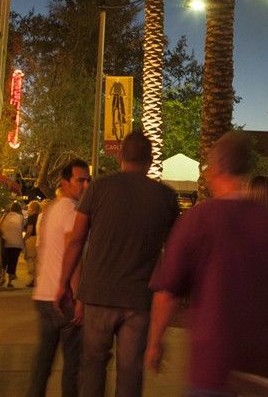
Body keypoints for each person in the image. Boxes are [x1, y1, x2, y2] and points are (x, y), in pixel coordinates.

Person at [146, 131, 268, 396]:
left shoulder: (196, 221)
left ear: (216, 169)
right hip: (262, 367)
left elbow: (167, 294)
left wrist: (155, 342)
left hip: (211, 366)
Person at [58, 132, 179, 397]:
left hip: (98, 295)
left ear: (121, 156)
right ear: (150, 160)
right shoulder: (165, 197)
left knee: (92, 367)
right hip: (138, 300)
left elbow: (76, 240)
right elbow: (174, 253)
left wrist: (63, 283)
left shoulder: (99, 188)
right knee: (130, 371)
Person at [27, 159, 90, 397]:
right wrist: (78, 297)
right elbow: (71, 253)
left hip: (44, 296)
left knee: (42, 365)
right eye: (80, 180)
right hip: (64, 299)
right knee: (73, 367)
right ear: (65, 183)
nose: (85, 186)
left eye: (87, 180)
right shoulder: (72, 211)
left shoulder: (51, 209)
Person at [0, 202, 25, 288]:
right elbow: (21, 229)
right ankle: (10, 281)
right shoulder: (21, 217)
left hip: (6, 241)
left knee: (4, 261)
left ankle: (2, 277)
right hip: (17, 243)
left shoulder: (4, 216)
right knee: (13, 262)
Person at [24, 200, 41, 288]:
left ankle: (32, 280)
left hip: (32, 239)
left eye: (29, 208)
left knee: (30, 259)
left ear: (33, 209)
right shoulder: (40, 216)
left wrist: (24, 239)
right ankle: (37, 279)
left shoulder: (31, 217)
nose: (28, 210)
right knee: (37, 260)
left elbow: (29, 231)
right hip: (39, 239)